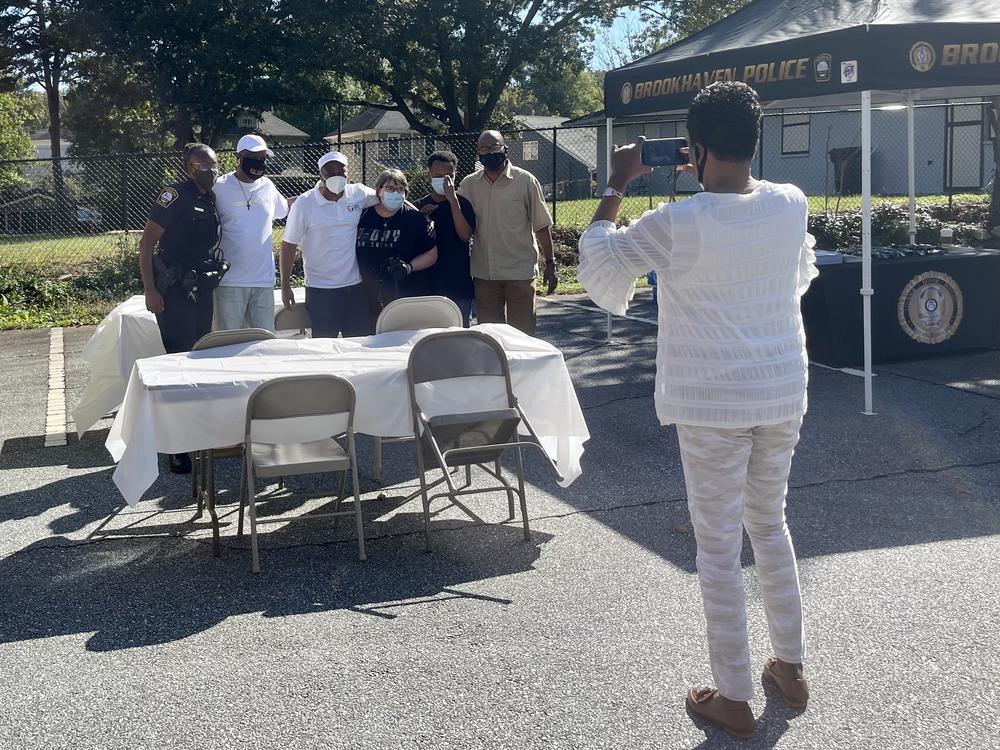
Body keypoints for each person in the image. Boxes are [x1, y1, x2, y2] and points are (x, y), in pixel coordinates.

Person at [577, 81, 818, 739]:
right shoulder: (790, 203)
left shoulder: (677, 224)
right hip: (780, 389)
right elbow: (797, 276)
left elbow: (598, 266)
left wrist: (618, 181)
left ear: (698, 146)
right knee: (770, 524)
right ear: (756, 141)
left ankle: (734, 695)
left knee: (717, 545)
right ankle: (789, 666)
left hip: (713, 400)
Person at [139, 142, 226, 474]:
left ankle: (199, 434)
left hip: (200, 290)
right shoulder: (174, 195)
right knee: (177, 367)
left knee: (200, 359)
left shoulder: (211, 198)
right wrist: (150, 289)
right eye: (199, 165)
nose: (207, 170)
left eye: (212, 164)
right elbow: (147, 243)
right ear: (187, 168)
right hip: (172, 292)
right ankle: (176, 447)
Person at [458, 130, 557, 335]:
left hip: (519, 272)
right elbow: (452, 211)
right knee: (490, 335)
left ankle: (522, 368)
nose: (490, 152)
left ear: (505, 148)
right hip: (485, 274)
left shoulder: (526, 181)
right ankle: (495, 369)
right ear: (478, 153)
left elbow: (541, 225)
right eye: (484, 149)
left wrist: (550, 263)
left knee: (523, 334)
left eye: (495, 147)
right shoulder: (469, 185)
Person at [279, 151, 379, 338]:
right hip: (321, 290)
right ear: (320, 174)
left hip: (354, 287)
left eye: (341, 171)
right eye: (330, 171)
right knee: (324, 348)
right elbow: (289, 245)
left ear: (347, 172)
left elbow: (388, 198)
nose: (336, 175)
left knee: (360, 344)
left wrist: (421, 216)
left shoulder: (358, 193)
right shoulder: (305, 204)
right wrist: (285, 286)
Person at [213, 133, 293, 332]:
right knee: (228, 340)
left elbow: (285, 209)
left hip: (263, 280)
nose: (258, 162)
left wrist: (314, 194)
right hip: (229, 281)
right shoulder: (219, 187)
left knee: (264, 341)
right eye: (253, 157)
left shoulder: (268, 186)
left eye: (262, 158)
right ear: (239, 156)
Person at [356, 169, 438, 328]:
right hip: (366, 292)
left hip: (405, 292)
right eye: (390, 188)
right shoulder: (362, 216)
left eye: (400, 189)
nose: (396, 193)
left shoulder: (416, 219)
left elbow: (431, 254)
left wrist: (409, 267)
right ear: (379, 191)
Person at [415, 150, 476, 326]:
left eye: (449, 176)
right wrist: (421, 218)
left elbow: (464, 236)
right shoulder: (419, 205)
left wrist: (453, 201)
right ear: (430, 175)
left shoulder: (463, 204)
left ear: (456, 174)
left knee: (460, 335)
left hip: (458, 284)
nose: (444, 180)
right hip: (428, 284)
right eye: (438, 176)